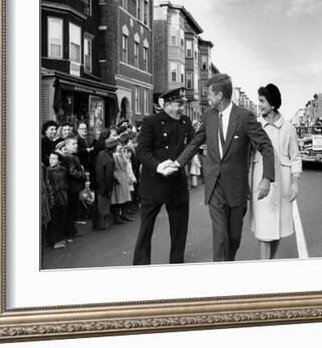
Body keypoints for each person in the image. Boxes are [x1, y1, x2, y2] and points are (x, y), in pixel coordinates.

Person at [169, 74, 275, 262]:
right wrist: (177, 164)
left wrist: (267, 177)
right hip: (214, 185)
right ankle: (220, 276)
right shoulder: (209, 115)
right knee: (220, 236)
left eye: (209, 94)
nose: (207, 97)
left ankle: (229, 263)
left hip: (236, 188)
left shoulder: (244, 117)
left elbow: (265, 146)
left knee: (233, 237)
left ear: (219, 95)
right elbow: (195, 142)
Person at [133, 87, 194, 265]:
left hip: (177, 183)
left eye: (182, 104)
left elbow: (193, 145)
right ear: (166, 105)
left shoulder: (185, 121)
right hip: (154, 183)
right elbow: (141, 151)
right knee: (146, 229)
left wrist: (179, 163)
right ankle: (141, 267)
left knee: (179, 230)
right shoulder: (151, 121)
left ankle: (176, 264)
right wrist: (158, 166)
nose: (182, 108)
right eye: (178, 104)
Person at [249, 84, 302, 259]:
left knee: (278, 229)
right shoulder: (255, 126)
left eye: (262, 101)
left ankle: (269, 262)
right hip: (261, 182)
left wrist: (295, 182)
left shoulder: (288, 128)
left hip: (284, 184)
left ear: (272, 104)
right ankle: (265, 267)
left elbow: (295, 158)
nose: (259, 105)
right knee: (264, 229)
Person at [61, 135, 87, 240]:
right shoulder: (69, 157)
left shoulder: (71, 156)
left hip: (73, 186)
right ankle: (70, 231)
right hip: (73, 187)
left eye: (76, 143)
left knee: (72, 210)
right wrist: (83, 176)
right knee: (71, 210)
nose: (76, 146)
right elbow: (72, 172)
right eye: (73, 144)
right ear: (66, 146)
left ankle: (71, 230)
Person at [44, 152, 69, 249]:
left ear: (59, 161)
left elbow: (65, 182)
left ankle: (60, 237)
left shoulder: (63, 170)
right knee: (53, 220)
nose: (51, 160)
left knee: (61, 218)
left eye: (54, 158)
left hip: (62, 197)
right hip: (53, 197)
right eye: (50, 158)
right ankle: (53, 241)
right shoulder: (47, 170)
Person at [93, 137, 116, 230]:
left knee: (98, 205)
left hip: (98, 182)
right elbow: (109, 176)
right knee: (104, 206)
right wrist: (109, 189)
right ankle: (103, 224)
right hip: (105, 185)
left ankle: (97, 223)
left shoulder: (101, 153)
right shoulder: (110, 160)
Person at [110, 139, 132, 224]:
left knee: (125, 197)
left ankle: (123, 215)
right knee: (118, 198)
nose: (121, 147)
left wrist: (128, 177)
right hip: (119, 177)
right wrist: (117, 177)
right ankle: (117, 217)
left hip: (124, 176)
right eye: (119, 145)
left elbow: (125, 165)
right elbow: (114, 168)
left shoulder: (121, 154)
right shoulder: (114, 155)